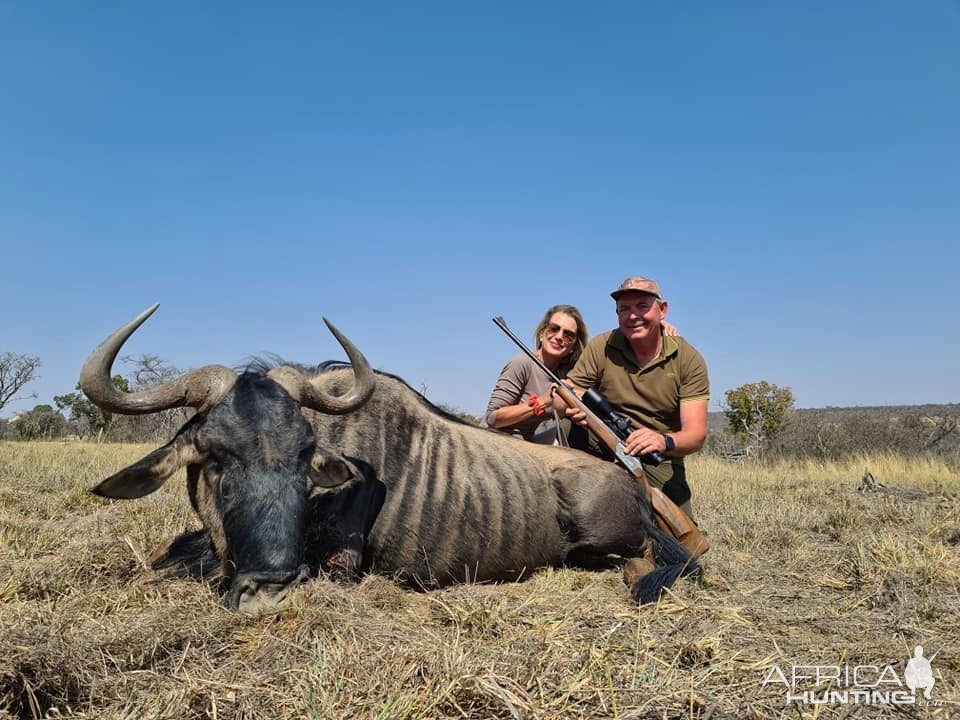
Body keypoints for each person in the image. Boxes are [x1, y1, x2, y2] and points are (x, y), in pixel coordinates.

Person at [563, 276, 709, 519]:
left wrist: (663, 442)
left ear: (662, 310)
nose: (632, 316)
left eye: (642, 306)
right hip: (603, 438)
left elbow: (696, 436)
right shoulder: (602, 345)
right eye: (624, 309)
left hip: (655, 454)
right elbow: (565, 391)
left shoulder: (689, 359)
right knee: (570, 428)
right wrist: (572, 405)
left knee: (681, 546)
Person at [485, 305, 588, 444]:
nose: (559, 337)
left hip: (529, 443)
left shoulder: (568, 374)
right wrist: (543, 402)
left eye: (568, 335)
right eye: (554, 329)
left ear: (573, 347)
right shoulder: (521, 363)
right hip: (497, 442)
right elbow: (492, 418)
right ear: (541, 334)